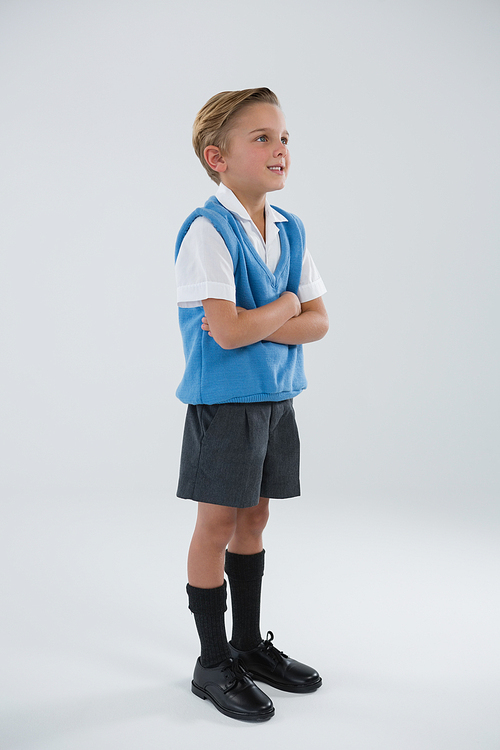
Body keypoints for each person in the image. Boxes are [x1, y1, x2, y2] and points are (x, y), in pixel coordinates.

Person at [174, 87, 329, 722]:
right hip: (226, 403)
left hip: (274, 399)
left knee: (256, 519)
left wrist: (279, 312)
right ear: (218, 157)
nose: (280, 150)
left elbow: (320, 322)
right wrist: (287, 306)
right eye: (261, 138)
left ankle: (246, 645)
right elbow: (227, 332)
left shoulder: (290, 230)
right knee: (217, 525)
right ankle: (212, 661)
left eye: (284, 138)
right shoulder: (206, 231)